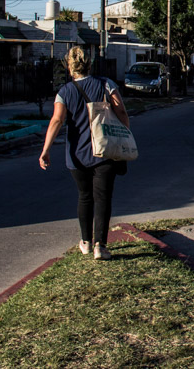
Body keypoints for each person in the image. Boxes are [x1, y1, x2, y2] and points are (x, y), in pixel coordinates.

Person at [39, 47, 130, 260]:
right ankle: (101, 245)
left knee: (85, 196)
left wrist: (45, 150)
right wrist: (125, 136)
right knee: (103, 198)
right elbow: (121, 111)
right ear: (90, 64)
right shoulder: (106, 84)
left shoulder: (65, 92)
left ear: (69, 68)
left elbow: (56, 121)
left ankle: (86, 242)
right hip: (105, 151)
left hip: (76, 154)